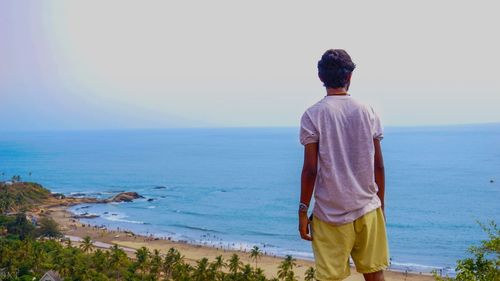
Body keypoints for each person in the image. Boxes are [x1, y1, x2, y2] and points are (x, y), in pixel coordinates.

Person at [298, 49, 389, 281]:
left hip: (329, 214)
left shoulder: (312, 115)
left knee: (330, 278)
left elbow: (310, 169)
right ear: (349, 77)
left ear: (321, 78)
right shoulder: (368, 111)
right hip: (368, 208)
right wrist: (382, 206)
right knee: (374, 275)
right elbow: (378, 165)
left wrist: (302, 210)